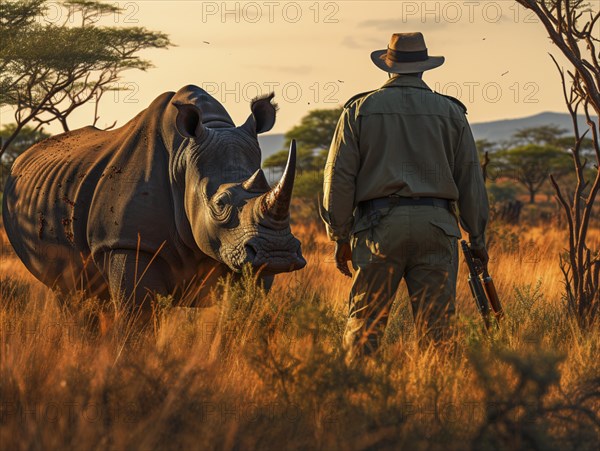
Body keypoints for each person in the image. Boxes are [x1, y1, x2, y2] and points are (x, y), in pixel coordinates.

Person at [320, 32, 489, 363]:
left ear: (388, 66)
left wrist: (339, 235)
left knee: (364, 327)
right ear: (425, 68)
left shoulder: (360, 109)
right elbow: (470, 179)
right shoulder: (452, 113)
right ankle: (438, 407)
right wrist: (478, 237)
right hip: (437, 227)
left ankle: (356, 401)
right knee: (438, 333)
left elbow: (338, 178)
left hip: (377, 228)